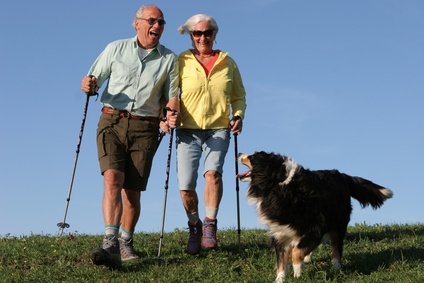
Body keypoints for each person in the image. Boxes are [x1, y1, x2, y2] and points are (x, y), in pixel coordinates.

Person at [80, 5, 180, 268]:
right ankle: (110, 242)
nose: (157, 26)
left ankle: (126, 241)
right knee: (112, 177)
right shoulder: (115, 48)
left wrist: (170, 115)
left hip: (145, 128)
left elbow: (171, 97)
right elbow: (93, 80)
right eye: (152, 20)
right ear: (137, 24)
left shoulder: (169, 59)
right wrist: (88, 85)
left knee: (132, 192)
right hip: (112, 119)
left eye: (161, 22)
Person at [176, 14, 247, 255]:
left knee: (213, 174)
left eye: (207, 33)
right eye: (197, 33)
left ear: (214, 35)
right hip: (187, 129)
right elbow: (170, 93)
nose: (203, 37)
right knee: (186, 186)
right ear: (191, 36)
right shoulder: (180, 61)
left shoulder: (228, 62)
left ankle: (210, 225)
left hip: (218, 127)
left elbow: (238, 95)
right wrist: (168, 115)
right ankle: (194, 225)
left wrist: (237, 115)